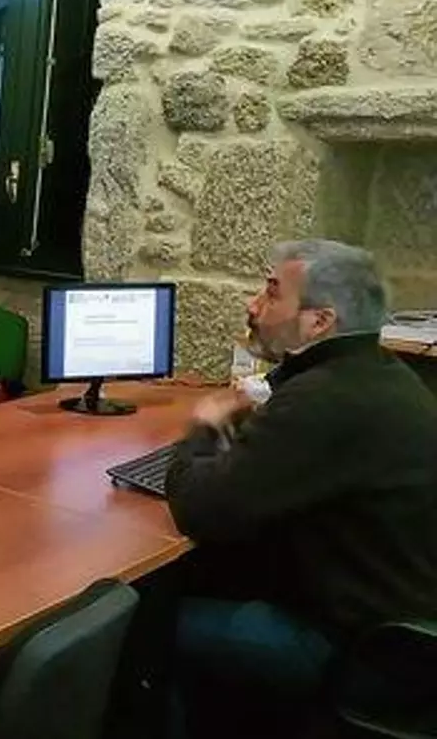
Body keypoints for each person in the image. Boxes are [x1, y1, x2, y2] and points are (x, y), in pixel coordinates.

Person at [164, 239, 437, 738]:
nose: (252, 305)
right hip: (398, 625)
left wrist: (202, 427)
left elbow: (198, 509)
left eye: (271, 293)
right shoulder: (379, 375)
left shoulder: (326, 398)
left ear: (319, 322)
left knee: (146, 620)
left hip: (358, 651)